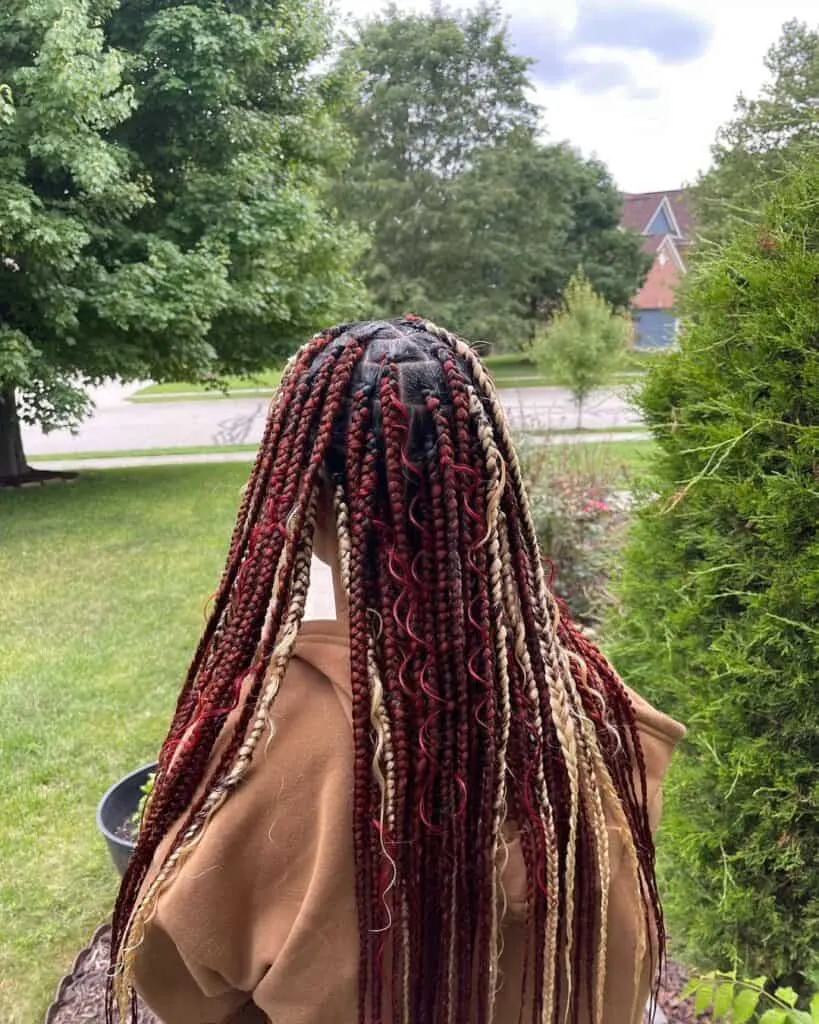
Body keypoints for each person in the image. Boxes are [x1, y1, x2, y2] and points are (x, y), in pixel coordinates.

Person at [108, 317, 685, 1024]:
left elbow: (179, 982)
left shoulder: (262, 746)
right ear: (489, 482)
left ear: (308, 500)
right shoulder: (580, 696)